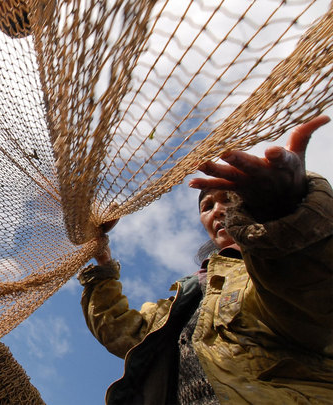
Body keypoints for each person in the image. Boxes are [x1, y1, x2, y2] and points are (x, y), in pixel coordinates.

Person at [78, 115, 333, 404]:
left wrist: (286, 213)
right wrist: (103, 265)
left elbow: (308, 296)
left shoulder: (275, 271)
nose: (217, 210)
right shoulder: (188, 296)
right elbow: (122, 332)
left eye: (228, 198)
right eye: (207, 205)